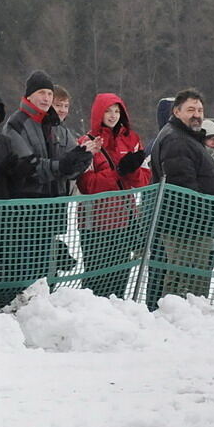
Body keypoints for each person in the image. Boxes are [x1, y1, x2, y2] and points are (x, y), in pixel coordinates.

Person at [149, 89, 214, 300]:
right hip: (186, 229)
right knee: (186, 282)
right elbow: (183, 188)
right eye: (191, 110)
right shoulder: (177, 140)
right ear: (176, 111)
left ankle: (183, 313)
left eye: (200, 110)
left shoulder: (186, 137)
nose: (197, 115)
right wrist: (204, 216)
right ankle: (178, 316)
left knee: (189, 281)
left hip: (194, 227)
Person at [75, 93, 151, 298]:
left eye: (117, 111)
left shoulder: (132, 140)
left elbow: (144, 180)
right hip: (95, 223)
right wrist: (117, 172)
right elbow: (87, 184)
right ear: (98, 113)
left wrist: (132, 170)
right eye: (107, 111)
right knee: (96, 279)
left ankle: (116, 312)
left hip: (124, 220)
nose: (112, 115)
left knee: (120, 277)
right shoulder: (87, 142)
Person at [5, 70, 96, 199]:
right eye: (41, 93)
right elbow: (28, 168)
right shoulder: (16, 124)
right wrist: (61, 165)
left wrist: (83, 157)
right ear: (29, 96)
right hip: (29, 202)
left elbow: (71, 170)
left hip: (58, 203)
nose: (46, 98)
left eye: (49, 94)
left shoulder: (57, 125)